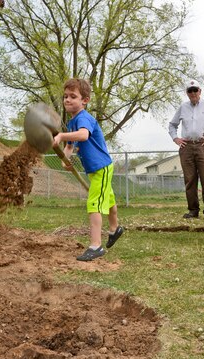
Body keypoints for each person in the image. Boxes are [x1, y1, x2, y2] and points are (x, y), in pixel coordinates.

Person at [53, 78, 124, 261]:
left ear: (85, 100)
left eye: (73, 96)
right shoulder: (71, 123)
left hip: (101, 167)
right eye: (66, 96)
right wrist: (64, 161)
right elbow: (70, 147)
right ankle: (115, 229)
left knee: (94, 204)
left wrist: (60, 135)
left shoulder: (84, 118)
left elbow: (83, 136)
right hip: (97, 169)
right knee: (107, 199)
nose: (67, 100)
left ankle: (96, 246)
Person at [168, 80, 204, 220]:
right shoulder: (183, 107)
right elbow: (172, 125)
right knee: (190, 180)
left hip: (203, 145)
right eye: (190, 91)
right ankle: (193, 210)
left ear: (200, 91)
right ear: (187, 93)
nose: (193, 93)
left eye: (195, 90)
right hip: (186, 146)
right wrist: (176, 139)